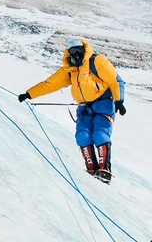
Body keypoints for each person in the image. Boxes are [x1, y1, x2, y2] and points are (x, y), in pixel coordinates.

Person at [18, 38, 126, 184]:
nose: (76, 55)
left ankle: (104, 169)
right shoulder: (70, 69)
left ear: (84, 50)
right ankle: (92, 169)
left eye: (78, 51)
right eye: (72, 52)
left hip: (103, 103)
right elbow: (50, 84)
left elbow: (115, 81)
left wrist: (119, 101)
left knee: (100, 133)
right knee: (82, 135)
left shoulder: (97, 62)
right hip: (84, 107)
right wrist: (29, 94)